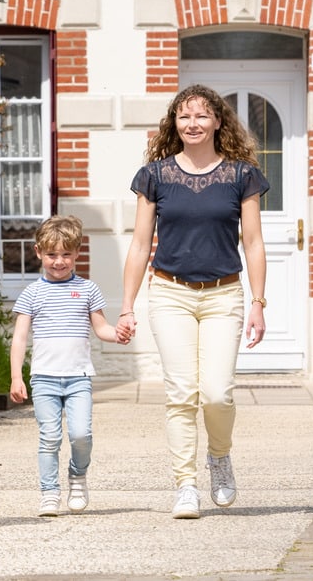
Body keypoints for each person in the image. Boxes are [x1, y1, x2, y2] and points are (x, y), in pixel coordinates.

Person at [115, 84, 269, 520]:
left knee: (217, 394)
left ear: (219, 121)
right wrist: (127, 306)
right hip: (169, 293)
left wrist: (259, 302)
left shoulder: (242, 175)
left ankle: (219, 458)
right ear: (174, 124)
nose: (193, 124)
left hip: (224, 295)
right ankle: (185, 484)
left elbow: (254, 243)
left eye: (202, 116)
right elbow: (140, 243)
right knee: (182, 393)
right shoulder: (155, 176)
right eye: (184, 117)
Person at [8, 215, 122, 518]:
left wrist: (119, 335)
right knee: (49, 438)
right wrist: (16, 378)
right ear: (38, 252)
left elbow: (102, 329)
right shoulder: (32, 293)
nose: (59, 261)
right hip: (44, 378)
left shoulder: (88, 290)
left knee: (81, 435)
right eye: (51, 254)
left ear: (77, 253)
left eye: (66, 254)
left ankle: (77, 475)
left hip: (78, 377)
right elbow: (19, 339)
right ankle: (49, 492)